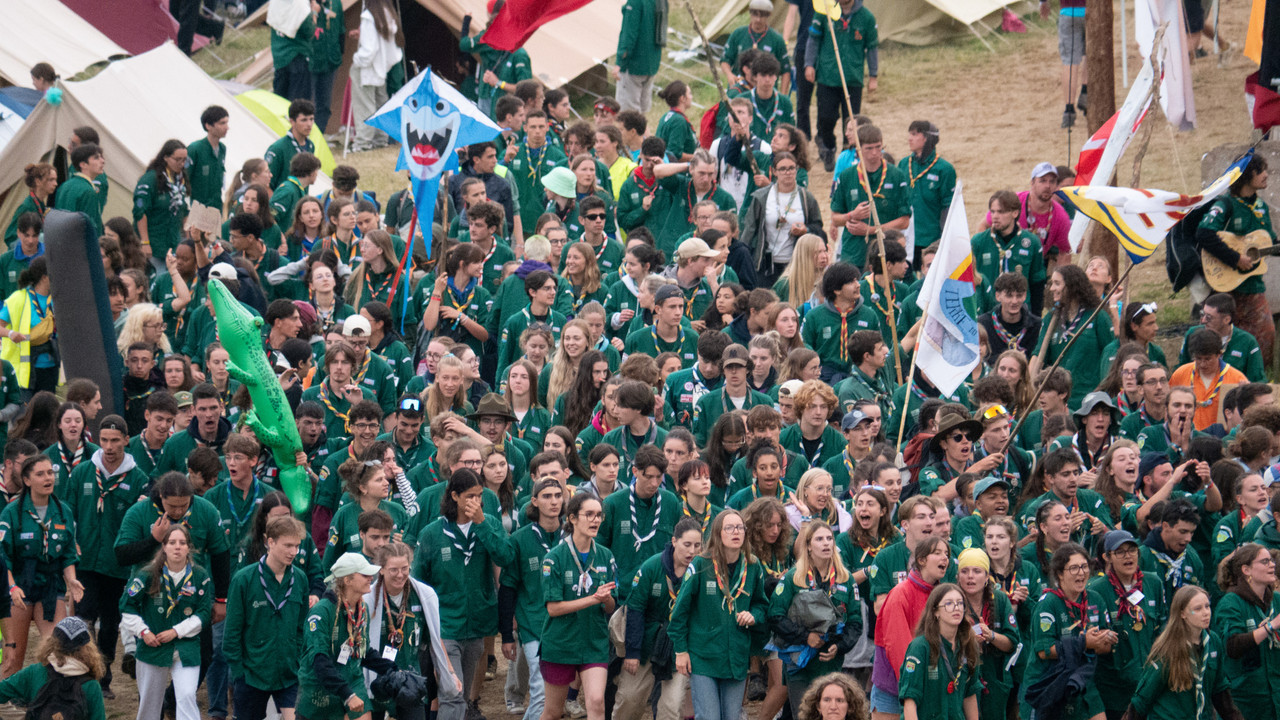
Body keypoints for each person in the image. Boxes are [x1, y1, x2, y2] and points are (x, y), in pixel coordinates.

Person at [415, 469, 515, 720]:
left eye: (480, 496)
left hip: (477, 623)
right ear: (455, 496)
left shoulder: (489, 523)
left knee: (463, 694)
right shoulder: (432, 533)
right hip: (445, 625)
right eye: (471, 496)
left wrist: (482, 524)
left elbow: (505, 556)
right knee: (452, 693)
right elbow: (418, 582)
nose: (477, 502)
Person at [65, 415, 144, 697]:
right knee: (85, 617)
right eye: (104, 440)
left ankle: (106, 672)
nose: (109, 447)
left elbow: (140, 522)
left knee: (111, 623)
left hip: (117, 565)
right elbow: (68, 512)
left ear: (126, 439)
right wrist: (70, 543)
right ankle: (87, 673)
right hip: (86, 561)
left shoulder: (138, 479)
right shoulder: (83, 472)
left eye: (115, 440)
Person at [668, 509, 769, 720]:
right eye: (729, 528)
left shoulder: (752, 565)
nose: (736, 532)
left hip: (736, 657)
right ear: (718, 533)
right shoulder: (701, 564)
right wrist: (681, 651)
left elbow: (761, 604)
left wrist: (753, 615)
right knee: (709, 717)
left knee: (732, 716)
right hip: (704, 655)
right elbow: (679, 612)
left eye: (740, 527)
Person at [0, 454, 84, 678]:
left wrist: (72, 579)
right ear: (27, 480)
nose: (48, 478)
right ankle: (5, 705)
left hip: (49, 587)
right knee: (12, 657)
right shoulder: (11, 512)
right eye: (40, 474)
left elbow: (67, 554)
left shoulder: (62, 510)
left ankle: (48, 704)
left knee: (57, 652)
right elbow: (3, 557)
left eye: (50, 473)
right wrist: (11, 587)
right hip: (18, 586)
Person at [120, 524, 213, 720]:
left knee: (187, 695)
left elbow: (204, 613)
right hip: (153, 646)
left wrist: (177, 631)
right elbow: (127, 607)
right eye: (172, 542)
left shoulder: (200, 576)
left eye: (182, 543)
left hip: (185, 647)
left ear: (189, 547)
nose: (177, 547)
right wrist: (143, 632)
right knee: (149, 703)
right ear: (164, 546)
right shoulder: (146, 574)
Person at [222, 515, 309, 720]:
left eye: (297, 546)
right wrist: (239, 674)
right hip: (252, 676)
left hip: (289, 674)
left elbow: (301, 628)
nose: (293, 552)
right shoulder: (243, 579)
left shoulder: (300, 579)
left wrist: (297, 661)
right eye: (288, 545)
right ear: (270, 542)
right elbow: (232, 633)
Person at [769, 520, 861, 712]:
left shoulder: (846, 578)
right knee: (804, 715)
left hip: (831, 664)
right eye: (819, 539)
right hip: (799, 662)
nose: (826, 543)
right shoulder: (794, 577)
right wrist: (806, 637)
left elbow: (855, 621)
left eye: (829, 539)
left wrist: (840, 646)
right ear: (809, 546)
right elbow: (776, 615)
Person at [364, 542, 462, 720]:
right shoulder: (367, 598)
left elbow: (434, 638)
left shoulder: (424, 595)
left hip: (411, 679)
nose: (400, 575)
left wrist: (450, 672)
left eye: (405, 568)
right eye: (393, 569)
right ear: (381, 569)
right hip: (377, 679)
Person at [1021, 543, 1117, 720]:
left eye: (1084, 567)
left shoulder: (1094, 599)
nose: (1081, 573)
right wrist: (1084, 643)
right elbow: (1044, 651)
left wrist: (1105, 640)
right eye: (1073, 568)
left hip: (1082, 681)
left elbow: (1104, 647)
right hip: (1050, 683)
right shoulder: (1047, 603)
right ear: (1059, 574)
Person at [870, 536, 950, 720]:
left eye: (946, 553)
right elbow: (898, 647)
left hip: (928, 688)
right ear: (921, 560)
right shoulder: (900, 593)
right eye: (937, 553)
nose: (944, 558)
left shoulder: (943, 595)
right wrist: (912, 690)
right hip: (895, 689)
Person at [295, 552, 381, 720]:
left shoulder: (362, 609)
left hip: (352, 679)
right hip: (320, 689)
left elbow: (362, 651)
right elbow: (319, 660)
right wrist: (347, 695)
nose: (370, 577)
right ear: (347, 580)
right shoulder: (322, 611)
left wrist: (391, 670)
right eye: (364, 574)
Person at [803, 0, 877, 170]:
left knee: (851, 119)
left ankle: (849, 153)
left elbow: (871, 47)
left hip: (852, 78)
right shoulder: (824, 12)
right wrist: (809, 64)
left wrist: (873, 75)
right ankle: (827, 146)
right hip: (827, 76)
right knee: (826, 117)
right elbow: (813, 40)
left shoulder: (866, 18)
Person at [897, 582, 982, 720]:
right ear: (936, 612)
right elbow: (910, 700)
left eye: (960, 603)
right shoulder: (920, 647)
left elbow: (969, 695)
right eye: (948, 604)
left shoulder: (969, 645)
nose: (956, 608)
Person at [1033, 263, 1112, 408]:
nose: (1051, 288)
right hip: (1059, 402)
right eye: (1052, 284)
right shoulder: (1051, 319)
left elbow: (1111, 354)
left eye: (1057, 283)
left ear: (1071, 286)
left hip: (1090, 401)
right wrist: (1031, 387)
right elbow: (1038, 356)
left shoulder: (1097, 316)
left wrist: (1101, 390)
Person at [0, 615, 107, 719]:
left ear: (52, 642)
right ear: (87, 648)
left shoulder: (35, 672)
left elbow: (2, 691)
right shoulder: (91, 686)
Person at [740, 157, 824, 287]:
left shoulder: (806, 197)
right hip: (766, 264)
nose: (788, 172)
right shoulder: (762, 197)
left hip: (796, 263)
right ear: (774, 171)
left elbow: (818, 228)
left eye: (791, 168)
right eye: (783, 169)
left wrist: (805, 230)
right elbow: (749, 230)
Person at [1171, 328, 1248, 431]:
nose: (1202, 364)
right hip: (1188, 436)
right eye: (1198, 358)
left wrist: (1247, 393)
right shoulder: (1180, 374)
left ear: (1219, 354)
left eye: (1208, 359)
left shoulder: (1236, 378)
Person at [1177, 294, 1266, 382]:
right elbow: (1181, 367)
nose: (1203, 320)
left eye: (1209, 317)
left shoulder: (1247, 342)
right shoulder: (1193, 334)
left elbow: (1258, 380)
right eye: (1202, 314)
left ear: (1226, 320)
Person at [54, 143, 106, 239]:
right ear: (83, 164)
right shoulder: (88, 191)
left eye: (101, 157)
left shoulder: (64, 186)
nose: (102, 161)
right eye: (96, 158)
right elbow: (90, 228)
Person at [265, 100, 316, 192]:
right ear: (292, 121)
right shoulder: (278, 148)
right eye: (304, 120)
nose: (309, 124)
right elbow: (266, 185)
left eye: (311, 119)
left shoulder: (311, 146)